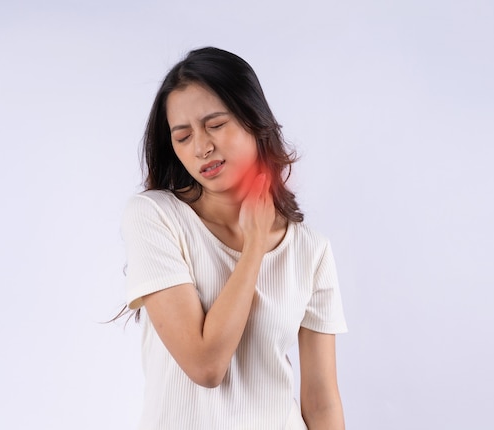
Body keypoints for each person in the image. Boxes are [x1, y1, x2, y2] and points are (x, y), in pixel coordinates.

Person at [119, 47, 347, 430]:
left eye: (215, 124)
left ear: (253, 119)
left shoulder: (311, 249)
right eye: (183, 136)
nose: (201, 147)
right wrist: (254, 246)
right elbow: (205, 366)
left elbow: (321, 401)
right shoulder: (155, 217)